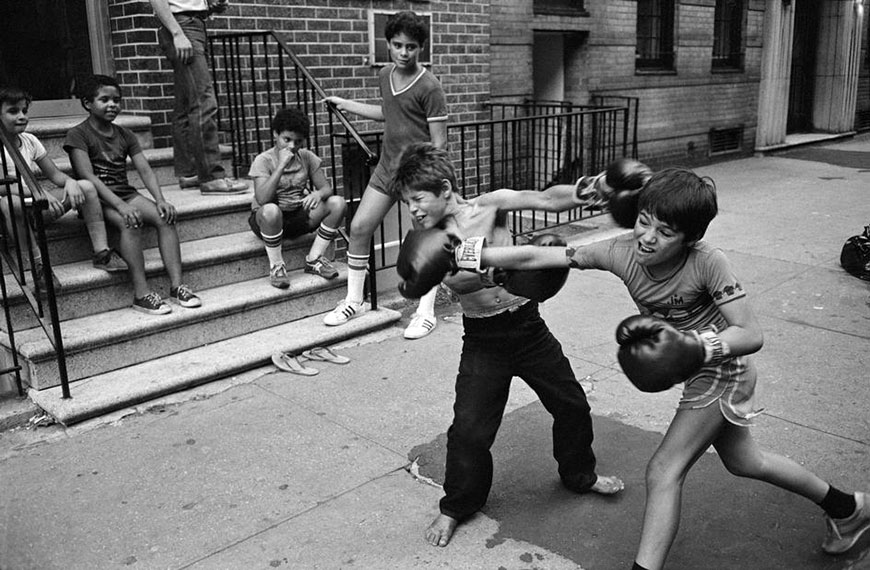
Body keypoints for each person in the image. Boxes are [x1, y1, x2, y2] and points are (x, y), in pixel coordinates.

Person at [468, 168, 870, 568]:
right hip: (696, 370)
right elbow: (541, 255)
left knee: (663, 470)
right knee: (746, 462)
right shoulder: (620, 251)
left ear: (689, 237)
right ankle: (848, 508)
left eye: (664, 232)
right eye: (644, 222)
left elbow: (750, 333)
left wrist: (693, 347)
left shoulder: (708, 262)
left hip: (724, 370)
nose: (647, 237)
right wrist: (466, 254)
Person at [390, 142, 624, 548]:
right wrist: (498, 272)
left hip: (528, 328)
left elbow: (548, 199)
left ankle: (579, 475)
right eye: (406, 202)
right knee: (468, 431)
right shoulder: (428, 239)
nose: (412, 209)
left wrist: (593, 187)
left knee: (571, 403)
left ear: (445, 188)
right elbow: (455, 282)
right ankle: (455, 507)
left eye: (417, 198)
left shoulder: (492, 204)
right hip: (483, 338)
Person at [322, 10, 447, 340]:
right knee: (360, 226)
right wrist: (345, 104)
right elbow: (388, 113)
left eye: (411, 47)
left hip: (419, 173)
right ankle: (354, 301)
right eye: (397, 45)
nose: (404, 52)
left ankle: (425, 310)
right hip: (387, 167)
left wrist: (429, 185)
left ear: (421, 48)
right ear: (387, 45)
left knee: (423, 240)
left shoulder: (430, 87)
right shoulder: (385, 75)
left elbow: (439, 143)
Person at [63, 74, 201, 315]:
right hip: (97, 201)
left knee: (165, 217)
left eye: (116, 100)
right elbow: (89, 178)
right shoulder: (78, 135)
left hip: (125, 193)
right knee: (131, 222)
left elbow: (145, 169)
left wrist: (160, 199)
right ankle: (141, 293)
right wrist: (121, 207)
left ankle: (177, 286)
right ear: (87, 103)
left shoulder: (125, 134)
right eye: (104, 99)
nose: (112, 105)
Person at [0, 86, 127, 286]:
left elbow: (54, 174)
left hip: (35, 206)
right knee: (10, 202)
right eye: (13, 111)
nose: (22, 116)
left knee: (85, 185)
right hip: (9, 215)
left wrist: (70, 183)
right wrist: (38, 192)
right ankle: (38, 266)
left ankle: (102, 252)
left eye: (24, 111)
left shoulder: (30, 141)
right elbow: (2, 186)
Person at [148, 0, 249, 196]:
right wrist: (177, 33)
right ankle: (212, 177)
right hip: (182, 26)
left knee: (186, 102)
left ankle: (189, 172)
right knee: (204, 103)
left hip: (193, 24)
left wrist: (212, 4)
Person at [248, 108, 347, 288]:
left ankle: (314, 259)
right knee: (271, 210)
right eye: (287, 139)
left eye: (298, 141)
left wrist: (318, 194)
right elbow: (263, 199)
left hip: (297, 215)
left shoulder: (307, 157)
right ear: (275, 134)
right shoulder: (263, 160)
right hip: (268, 220)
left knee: (338, 203)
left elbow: (326, 188)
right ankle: (277, 266)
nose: (292, 146)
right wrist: (281, 166)